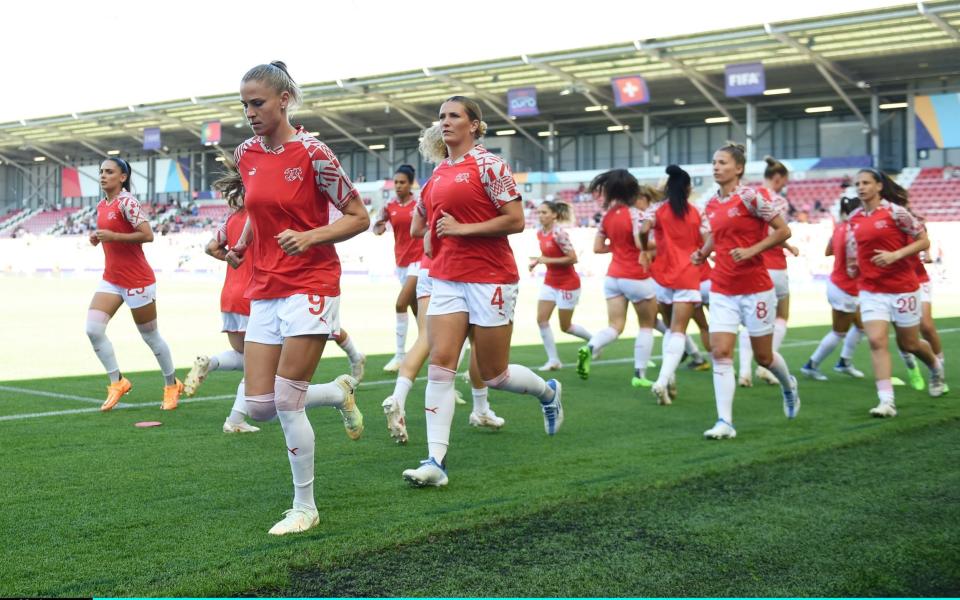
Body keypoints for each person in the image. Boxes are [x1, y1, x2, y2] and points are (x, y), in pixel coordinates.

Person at [228, 61, 369, 535]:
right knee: (261, 405)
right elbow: (257, 207)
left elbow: (357, 215)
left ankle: (304, 506)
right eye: (245, 104)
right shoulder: (246, 152)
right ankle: (337, 392)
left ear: (283, 100)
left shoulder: (314, 153)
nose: (249, 112)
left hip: (311, 283)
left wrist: (310, 237)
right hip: (264, 287)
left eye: (258, 102)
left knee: (287, 402)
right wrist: (245, 242)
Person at [400, 96, 563, 488]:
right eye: (441, 117)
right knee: (441, 363)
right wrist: (430, 235)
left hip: (491, 278)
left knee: (494, 374)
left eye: (454, 116)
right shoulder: (438, 172)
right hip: (446, 278)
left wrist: (461, 229)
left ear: (474, 125)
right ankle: (435, 462)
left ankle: (548, 392)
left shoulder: (490, 165)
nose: (445, 122)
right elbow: (421, 225)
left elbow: (516, 220)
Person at [382, 125, 496, 445]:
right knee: (474, 345)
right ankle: (480, 407)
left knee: (430, 340)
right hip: (460, 271)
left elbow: (419, 229)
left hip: (429, 270)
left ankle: (401, 395)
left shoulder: (433, 181)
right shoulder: (463, 177)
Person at [693, 142, 799, 440]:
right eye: (714, 162)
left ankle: (789, 386)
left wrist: (753, 249)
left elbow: (783, 231)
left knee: (764, 357)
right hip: (723, 288)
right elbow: (717, 236)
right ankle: (724, 421)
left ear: (738, 168)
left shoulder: (751, 198)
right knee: (720, 352)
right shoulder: (711, 203)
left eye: (722, 162)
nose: (716, 167)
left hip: (755, 289)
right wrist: (703, 253)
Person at [845, 168, 946, 418]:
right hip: (871, 290)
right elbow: (856, 249)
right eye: (857, 183)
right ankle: (886, 402)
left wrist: (895, 255)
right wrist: (854, 264)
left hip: (903, 288)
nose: (861, 187)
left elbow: (923, 241)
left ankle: (935, 367)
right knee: (877, 341)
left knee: (909, 343)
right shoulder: (854, 218)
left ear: (879, 186)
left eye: (866, 182)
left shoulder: (896, 213)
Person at [86, 156, 182, 412]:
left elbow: (147, 235)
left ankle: (172, 385)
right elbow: (111, 238)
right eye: (101, 171)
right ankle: (117, 381)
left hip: (137, 281)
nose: (103, 175)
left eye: (109, 171)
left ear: (123, 177)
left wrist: (114, 235)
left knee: (150, 337)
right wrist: (97, 238)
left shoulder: (127, 202)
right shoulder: (102, 205)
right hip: (111, 279)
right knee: (93, 330)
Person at [576, 173, 658, 387]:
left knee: (615, 326)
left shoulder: (607, 216)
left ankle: (590, 347)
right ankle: (639, 376)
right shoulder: (636, 215)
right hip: (636, 276)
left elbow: (597, 247)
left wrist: (618, 247)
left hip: (613, 277)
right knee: (647, 326)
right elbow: (642, 245)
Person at [640, 165, 708, 405]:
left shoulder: (657, 210)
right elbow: (709, 240)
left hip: (663, 275)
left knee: (670, 330)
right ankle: (662, 380)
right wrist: (702, 255)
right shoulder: (697, 212)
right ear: (688, 188)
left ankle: (669, 382)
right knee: (679, 330)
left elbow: (643, 229)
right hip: (688, 274)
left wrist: (644, 249)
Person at [737, 156, 799, 387]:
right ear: (777, 178)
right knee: (782, 316)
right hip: (774, 267)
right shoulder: (777, 201)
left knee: (750, 322)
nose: (784, 185)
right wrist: (787, 245)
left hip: (752, 267)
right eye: (784, 181)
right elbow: (777, 232)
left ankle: (744, 371)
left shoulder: (748, 196)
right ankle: (768, 364)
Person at [800, 196, 867, 381]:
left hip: (839, 284)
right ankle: (811, 365)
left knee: (862, 326)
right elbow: (857, 267)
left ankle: (844, 362)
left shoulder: (840, 228)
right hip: (846, 288)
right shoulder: (856, 231)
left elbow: (828, 251)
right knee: (839, 332)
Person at [529, 200, 592, 371]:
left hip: (567, 284)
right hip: (550, 282)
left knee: (566, 327)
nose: (541, 216)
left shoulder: (560, 234)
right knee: (541, 320)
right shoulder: (540, 233)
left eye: (544, 213)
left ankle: (594, 342)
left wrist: (545, 260)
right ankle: (554, 360)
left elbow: (573, 258)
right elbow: (546, 254)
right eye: (539, 213)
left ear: (554, 215)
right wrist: (537, 262)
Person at [373, 165, 422, 372]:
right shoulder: (389, 206)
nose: (399, 186)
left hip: (419, 261)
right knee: (417, 310)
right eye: (396, 182)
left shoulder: (419, 204)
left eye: (403, 182)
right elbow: (377, 226)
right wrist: (379, 227)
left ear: (410, 183)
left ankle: (400, 355)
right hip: (401, 262)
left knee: (400, 304)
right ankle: (432, 344)